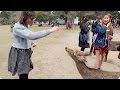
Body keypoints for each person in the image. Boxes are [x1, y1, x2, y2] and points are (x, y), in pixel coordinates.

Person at [8, 11, 59, 79]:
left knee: (24, 72)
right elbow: (31, 35)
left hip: (24, 52)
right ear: (25, 18)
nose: (33, 20)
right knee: (23, 74)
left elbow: (26, 36)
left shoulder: (25, 25)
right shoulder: (18, 27)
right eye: (31, 19)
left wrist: (31, 42)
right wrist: (50, 30)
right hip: (19, 53)